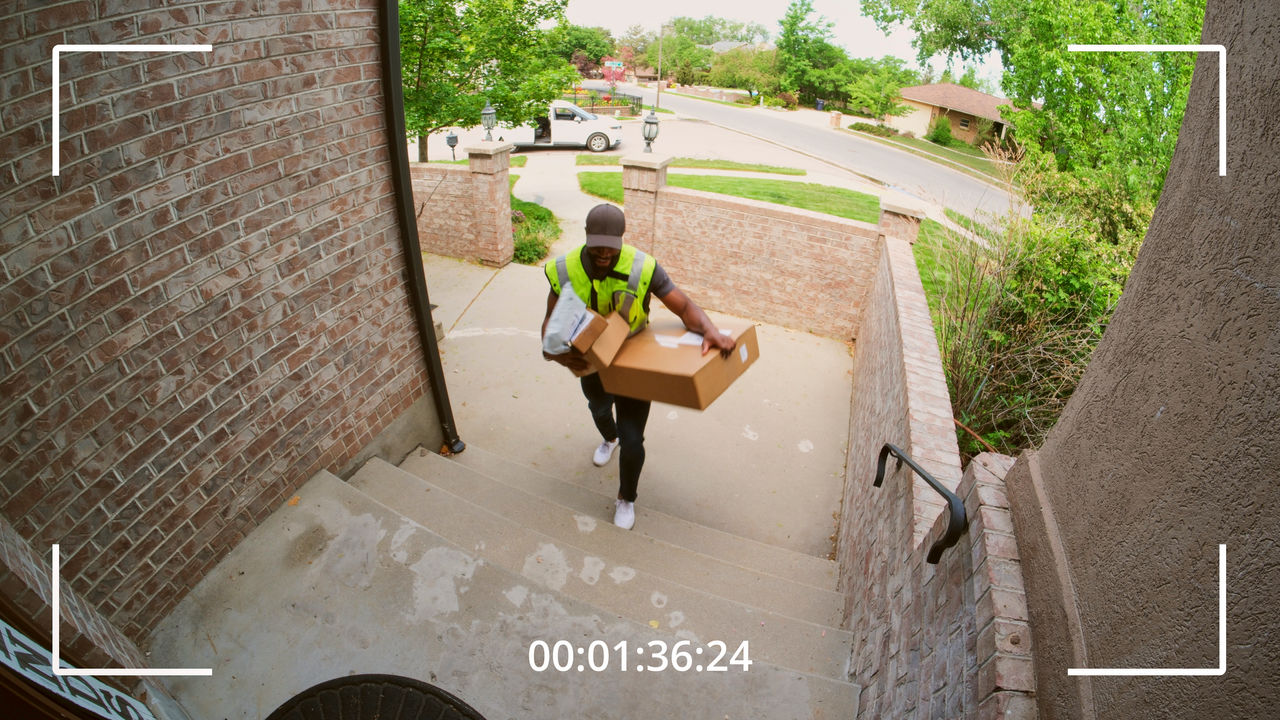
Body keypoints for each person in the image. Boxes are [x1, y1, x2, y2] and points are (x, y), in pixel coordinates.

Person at [541, 203, 736, 530]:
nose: (604, 253)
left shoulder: (643, 267)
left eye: (611, 246)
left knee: (634, 439)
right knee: (599, 410)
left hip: (633, 362)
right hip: (591, 363)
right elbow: (548, 329)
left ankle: (626, 497)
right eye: (597, 245)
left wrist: (711, 330)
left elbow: (684, 306)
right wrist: (557, 353)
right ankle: (608, 439)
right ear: (586, 237)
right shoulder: (565, 269)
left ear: (621, 239)